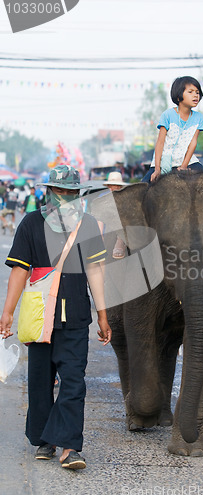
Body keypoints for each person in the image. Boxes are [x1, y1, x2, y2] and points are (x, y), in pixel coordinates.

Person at [0, 165, 112, 470]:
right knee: (40, 381)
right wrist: (7, 312)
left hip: (75, 316)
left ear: (79, 194)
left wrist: (102, 315)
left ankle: (69, 446)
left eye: (71, 192)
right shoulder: (31, 224)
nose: (66, 197)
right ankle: (44, 439)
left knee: (74, 381)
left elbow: (96, 272)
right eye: (60, 191)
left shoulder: (87, 226)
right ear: (50, 191)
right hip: (39, 316)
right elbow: (20, 271)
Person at [142, 76, 203, 183]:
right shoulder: (167, 115)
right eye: (190, 92)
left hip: (187, 160)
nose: (195, 95)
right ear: (178, 96)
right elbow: (160, 143)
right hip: (164, 160)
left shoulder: (199, 118)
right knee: (143, 187)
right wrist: (157, 168)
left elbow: (193, 143)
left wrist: (184, 166)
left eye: (197, 92)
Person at [103, 171, 129, 259]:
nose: (112, 188)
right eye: (111, 185)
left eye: (116, 185)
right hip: (108, 233)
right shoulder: (104, 200)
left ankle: (120, 240)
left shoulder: (126, 199)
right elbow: (99, 221)